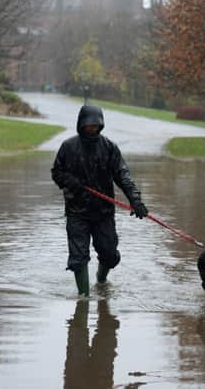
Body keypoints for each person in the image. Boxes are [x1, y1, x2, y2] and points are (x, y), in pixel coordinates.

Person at [51, 104, 148, 296]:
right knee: (78, 258)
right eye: (88, 125)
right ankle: (84, 299)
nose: (92, 128)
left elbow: (123, 176)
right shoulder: (68, 147)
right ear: (81, 125)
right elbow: (57, 172)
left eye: (95, 125)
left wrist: (135, 200)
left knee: (110, 255)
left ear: (101, 125)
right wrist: (69, 181)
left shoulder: (109, 148)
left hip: (103, 213)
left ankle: (101, 280)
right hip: (76, 212)